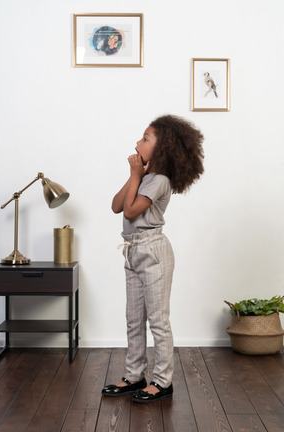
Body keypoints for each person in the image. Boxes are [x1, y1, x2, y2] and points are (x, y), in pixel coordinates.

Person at [102, 114, 204, 403]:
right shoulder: (146, 176)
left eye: (145, 138)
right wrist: (135, 175)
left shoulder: (159, 180)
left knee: (157, 320)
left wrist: (136, 176)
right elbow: (116, 205)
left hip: (153, 251)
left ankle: (162, 381)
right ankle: (135, 375)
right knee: (134, 318)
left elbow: (131, 212)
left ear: (162, 148)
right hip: (133, 250)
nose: (138, 141)